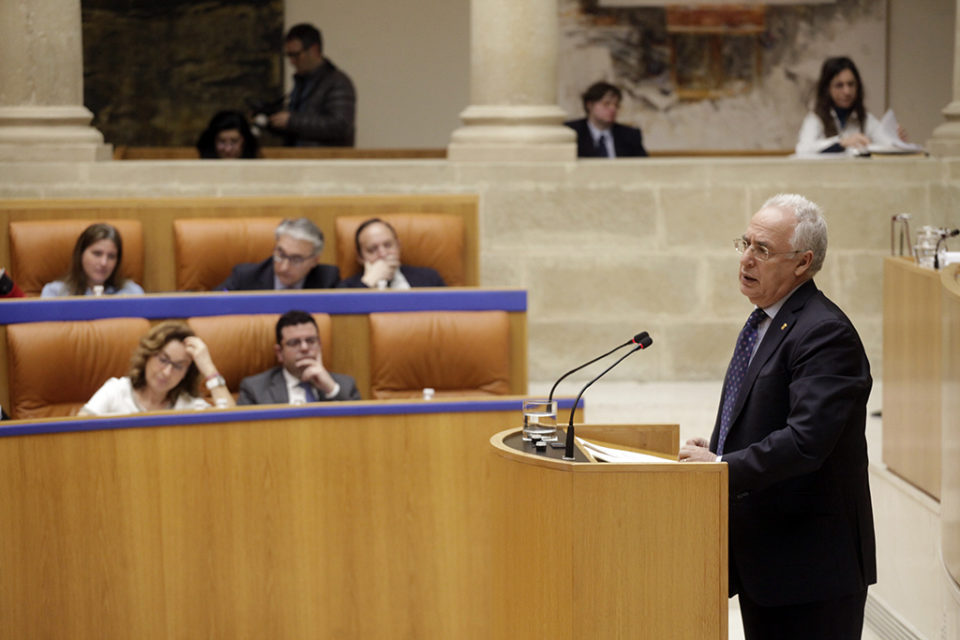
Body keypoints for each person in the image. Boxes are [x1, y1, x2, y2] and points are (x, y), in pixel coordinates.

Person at [678, 194, 875, 639]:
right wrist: (721, 447)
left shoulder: (825, 333)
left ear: (803, 263)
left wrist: (723, 467)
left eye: (762, 250)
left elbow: (807, 441)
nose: (746, 258)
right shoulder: (768, 320)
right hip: (769, 560)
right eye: (745, 243)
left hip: (811, 570)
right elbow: (768, 414)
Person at [80, 321, 235, 416]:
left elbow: (232, 425)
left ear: (185, 374)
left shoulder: (189, 405)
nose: (167, 372)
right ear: (148, 355)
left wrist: (209, 369)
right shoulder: (115, 391)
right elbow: (79, 432)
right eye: (163, 359)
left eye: (178, 366)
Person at [237, 310, 360, 405]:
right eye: (294, 343)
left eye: (311, 341)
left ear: (320, 346)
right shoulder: (255, 389)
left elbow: (361, 430)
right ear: (279, 353)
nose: (304, 348)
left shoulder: (344, 386)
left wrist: (330, 390)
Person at [268, 23, 356, 147]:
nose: (292, 61)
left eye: (296, 55)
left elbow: (340, 125)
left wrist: (291, 121)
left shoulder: (338, 82)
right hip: (298, 158)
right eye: (289, 55)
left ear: (314, 50)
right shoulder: (301, 82)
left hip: (324, 161)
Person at [795, 56, 902, 155]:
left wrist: (896, 140)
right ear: (827, 89)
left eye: (851, 84)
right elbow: (802, 149)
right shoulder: (816, 118)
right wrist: (841, 143)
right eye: (839, 85)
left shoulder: (866, 119)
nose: (847, 91)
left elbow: (887, 143)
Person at [218, 218, 340, 290]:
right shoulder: (245, 277)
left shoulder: (328, 280)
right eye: (280, 255)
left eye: (296, 259)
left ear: (315, 260)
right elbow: (211, 303)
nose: (284, 267)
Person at [41, 223, 145, 297]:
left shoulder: (131, 292)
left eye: (111, 256)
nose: (104, 263)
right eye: (97, 254)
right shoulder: (55, 293)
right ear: (81, 254)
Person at [337, 218, 445, 289]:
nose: (383, 254)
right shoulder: (347, 288)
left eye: (388, 245)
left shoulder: (430, 279)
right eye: (372, 250)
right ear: (360, 257)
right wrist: (368, 282)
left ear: (398, 246)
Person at [564, 81, 647, 158]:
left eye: (616, 105)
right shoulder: (571, 132)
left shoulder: (630, 135)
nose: (613, 109)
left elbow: (643, 167)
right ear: (589, 105)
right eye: (606, 104)